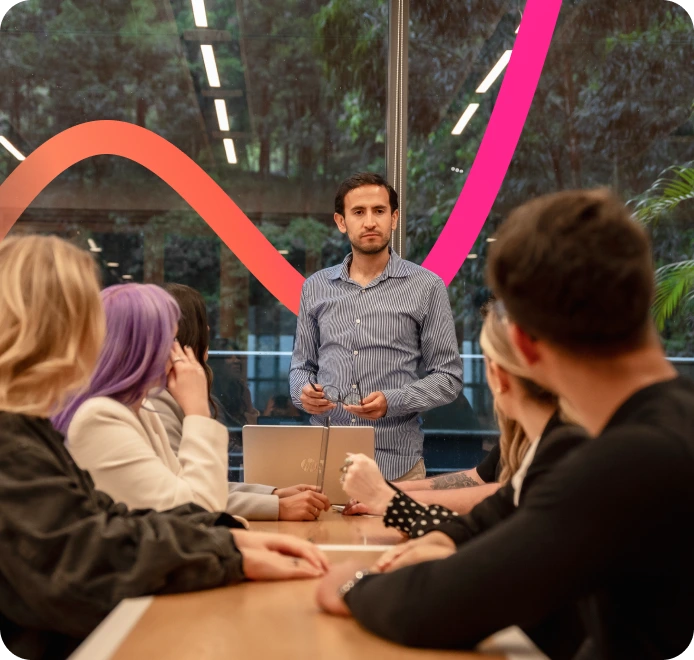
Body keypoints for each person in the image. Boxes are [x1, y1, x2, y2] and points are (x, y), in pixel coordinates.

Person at [317, 189, 694, 660]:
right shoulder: (660, 428)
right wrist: (439, 540)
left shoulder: (630, 458)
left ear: (523, 346)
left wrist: (354, 583)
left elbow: (445, 604)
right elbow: (494, 519)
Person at [0, 236, 327, 660]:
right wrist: (224, 551)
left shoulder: (29, 431)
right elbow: (80, 562)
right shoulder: (18, 440)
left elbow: (105, 519)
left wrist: (228, 544)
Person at [340, 300, 587, 523]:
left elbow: (500, 497)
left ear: (498, 374)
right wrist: (389, 491)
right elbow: (480, 480)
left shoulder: (564, 441)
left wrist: (389, 499)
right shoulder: (536, 432)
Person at [289, 172, 463, 481]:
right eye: (358, 212)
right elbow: (302, 366)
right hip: (325, 463)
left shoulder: (427, 287)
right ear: (341, 222)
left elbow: (448, 379)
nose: (370, 222)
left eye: (379, 211)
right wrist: (302, 394)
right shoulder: (315, 287)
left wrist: (392, 401)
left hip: (397, 468)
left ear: (394, 218)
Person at [149, 283, 331, 521]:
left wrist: (275, 495)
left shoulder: (166, 398)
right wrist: (279, 507)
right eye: (201, 322)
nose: (208, 329)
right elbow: (192, 495)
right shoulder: (157, 404)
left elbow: (204, 487)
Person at [53, 283, 230, 513]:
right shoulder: (98, 419)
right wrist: (197, 412)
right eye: (170, 339)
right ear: (141, 348)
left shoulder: (142, 410)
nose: (175, 351)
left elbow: (188, 495)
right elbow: (197, 512)